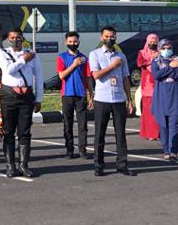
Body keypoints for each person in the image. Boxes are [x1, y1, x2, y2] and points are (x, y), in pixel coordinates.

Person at [88, 26, 136, 177]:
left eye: (112, 36)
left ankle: (122, 165)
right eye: (107, 36)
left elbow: (126, 78)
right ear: (101, 38)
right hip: (102, 99)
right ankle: (98, 165)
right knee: (99, 134)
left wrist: (129, 99)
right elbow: (96, 75)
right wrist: (112, 66)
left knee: (120, 134)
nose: (110, 39)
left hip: (118, 99)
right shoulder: (94, 54)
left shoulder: (121, 55)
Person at [0, 30, 43, 178]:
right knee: (8, 131)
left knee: (24, 132)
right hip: (9, 96)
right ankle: (10, 166)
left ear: (23, 38)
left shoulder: (32, 54)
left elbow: (39, 76)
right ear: (8, 39)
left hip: (26, 96)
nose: (15, 40)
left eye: (18, 37)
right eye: (12, 38)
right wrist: (24, 60)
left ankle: (24, 165)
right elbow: (9, 70)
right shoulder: (2, 53)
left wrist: (39, 98)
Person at [150, 38, 178, 163]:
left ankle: (173, 151)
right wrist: (170, 67)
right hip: (161, 96)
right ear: (159, 48)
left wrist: (169, 72)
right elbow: (157, 75)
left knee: (176, 125)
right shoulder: (156, 61)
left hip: (177, 95)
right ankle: (166, 151)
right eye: (163, 48)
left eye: (169, 48)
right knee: (163, 124)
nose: (166, 50)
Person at [56, 31, 91, 159]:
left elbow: (88, 78)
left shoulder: (84, 58)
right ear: (66, 42)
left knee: (83, 124)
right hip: (67, 94)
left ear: (79, 42)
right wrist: (74, 64)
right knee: (67, 123)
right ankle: (69, 149)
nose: (73, 44)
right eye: (70, 42)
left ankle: (83, 149)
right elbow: (61, 75)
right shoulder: (62, 57)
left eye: (75, 41)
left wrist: (91, 94)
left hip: (81, 94)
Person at [136, 33, 161, 141]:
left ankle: (158, 133)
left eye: (154, 42)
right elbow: (139, 63)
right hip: (147, 84)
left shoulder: (161, 52)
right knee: (149, 110)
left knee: (158, 109)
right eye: (150, 42)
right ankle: (150, 133)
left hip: (159, 82)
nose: (152, 44)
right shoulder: (142, 52)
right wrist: (151, 59)